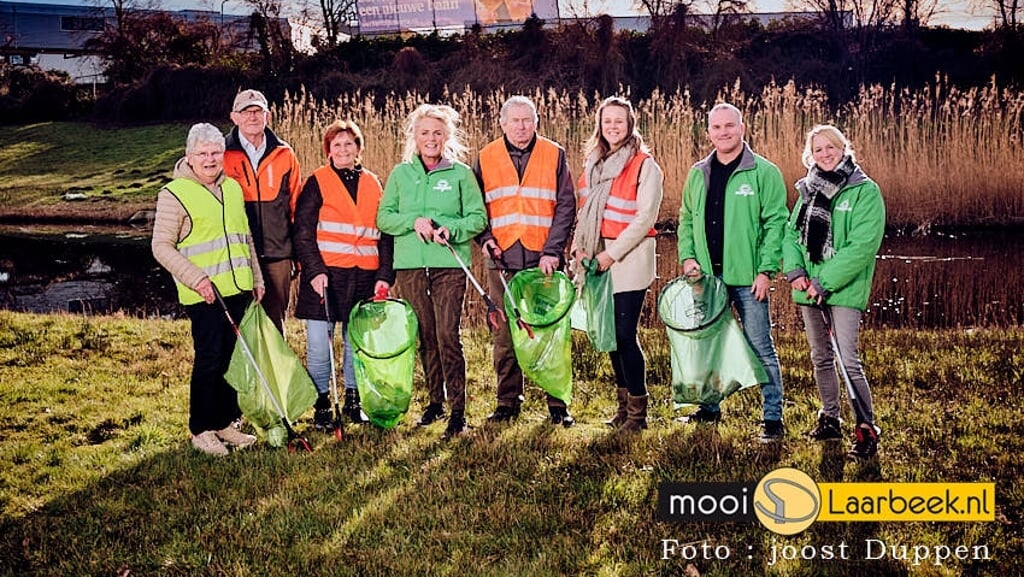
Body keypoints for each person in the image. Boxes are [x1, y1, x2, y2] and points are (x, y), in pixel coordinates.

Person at [676, 102, 789, 443]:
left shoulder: (764, 172)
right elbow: (685, 219)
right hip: (708, 279)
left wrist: (766, 271)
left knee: (759, 346)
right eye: (716, 127)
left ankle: (773, 418)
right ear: (708, 132)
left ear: (742, 128)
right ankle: (709, 409)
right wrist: (688, 259)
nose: (723, 132)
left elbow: (776, 224)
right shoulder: (698, 173)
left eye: (730, 126)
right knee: (709, 345)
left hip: (747, 279)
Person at [151, 123, 265, 456]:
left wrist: (256, 278)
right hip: (203, 293)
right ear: (189, 156)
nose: (210, 159)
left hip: (237, 289)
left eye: (215, 152)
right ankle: (200, 429)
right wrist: (196, 278)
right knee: (210, 359)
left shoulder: (231, 189)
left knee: (232, 358)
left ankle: (224, 423)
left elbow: (246, 240)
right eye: (203, 154)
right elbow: (161, 246)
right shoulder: (174, 194)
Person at [377, 104, 488, 440]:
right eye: (424, 132)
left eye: (437, 133)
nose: (431, 138)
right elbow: (384, 218)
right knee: (425, 336)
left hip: (449, 265)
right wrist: (413, 222)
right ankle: (434, 402)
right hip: (410, 266)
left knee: (446, 335)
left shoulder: (460, 174)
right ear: (414, 136)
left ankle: (458, 410)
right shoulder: (400, 174)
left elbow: (478, 218)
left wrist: (449, 229)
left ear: (447, 137)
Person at [784, 124, 885, 459]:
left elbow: (861, 247)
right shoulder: (808, 190)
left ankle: (866, 429)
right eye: (818, 150)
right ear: (810, 155)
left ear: (843, 148)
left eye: (831, 148)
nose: (825, 154)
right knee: (820, 357)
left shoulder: (864, 191)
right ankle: (830, 418)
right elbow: (791, 235)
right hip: (808, 289)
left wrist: (823, 281)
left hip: (841, 289)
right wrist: (796, 272)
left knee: (847, 359)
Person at [474, 96, 577, 427]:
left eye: (527, 120)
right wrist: (485, 239)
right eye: (514, 121)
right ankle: (507, 402)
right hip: (501, 259)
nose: (521, 126)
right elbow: (476, 209)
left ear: (537, 122)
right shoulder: (486, 157)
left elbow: (566, 205)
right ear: (502, 124)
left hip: (543, 260)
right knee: (504, 333)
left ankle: (557, 404)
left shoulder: (554, 154)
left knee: (549, 332)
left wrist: (553, 250)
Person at [293, 120, 395, 430]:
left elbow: (385, 234)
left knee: (356, 343)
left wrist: (384, 276)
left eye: (349, 143)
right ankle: (322, 402)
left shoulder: (374, 183)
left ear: (358, 148)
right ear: (328, 150)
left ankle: (354, 399)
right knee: (319, 345)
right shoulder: (317, 181)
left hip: (363, 277)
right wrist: (313, 270)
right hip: (324, 276)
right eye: (336, 144)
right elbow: (303, 232)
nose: (343, 149)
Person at [572, 96, 664, 432]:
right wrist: (579, 251)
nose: (613, 127)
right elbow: (584, 214)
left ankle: (639, 413)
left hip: (627, 258)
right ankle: (623, 408)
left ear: (630, 125)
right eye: (607, 121)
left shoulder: (644, 165)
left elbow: (644, 219)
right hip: (596, 256)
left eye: (619, 121)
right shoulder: (593, 164)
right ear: (600, 125)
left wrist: (610, 255)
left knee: (625, 334)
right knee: (609, 334)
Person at [223, 88, 302, 334]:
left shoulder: (285, 154)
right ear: (234, 117)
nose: (252, 117)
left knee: (275, 323)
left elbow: (296, 207)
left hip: (278, 253)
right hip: (238, 254)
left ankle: (274, 373)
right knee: (240, 323)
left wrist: (297, 254)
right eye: (245, 112)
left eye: (257, 111)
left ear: (267, 115)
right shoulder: (222, 154)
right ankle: (243, 372)